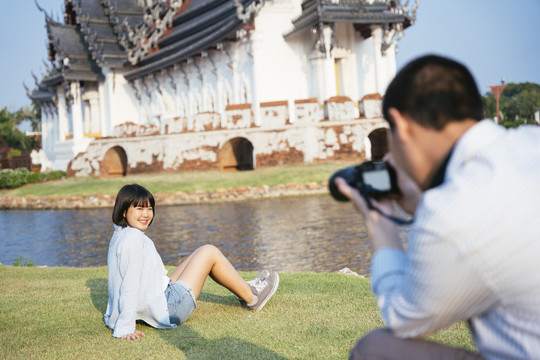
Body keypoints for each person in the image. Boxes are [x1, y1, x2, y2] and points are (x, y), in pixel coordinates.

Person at [335, 55, 540, 359]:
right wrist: (421, 206)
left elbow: (406, 319)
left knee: (374, 349)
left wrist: (380, 221)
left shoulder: (448, 213)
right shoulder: (530, 140)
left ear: (401, 125)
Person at [104, 184, 279, 340]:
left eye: (149, 209)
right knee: (209, 252)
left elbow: (118, 281)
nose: (146, 214)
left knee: (199, 252)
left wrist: (116, 315)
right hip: (170, 309)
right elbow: (129, 282)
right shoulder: (134, 239)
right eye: (139, 209)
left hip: (158, 296)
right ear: (124, 211)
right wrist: (125, 327)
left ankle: (244, 287)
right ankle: (253, 297)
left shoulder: (121, 234)